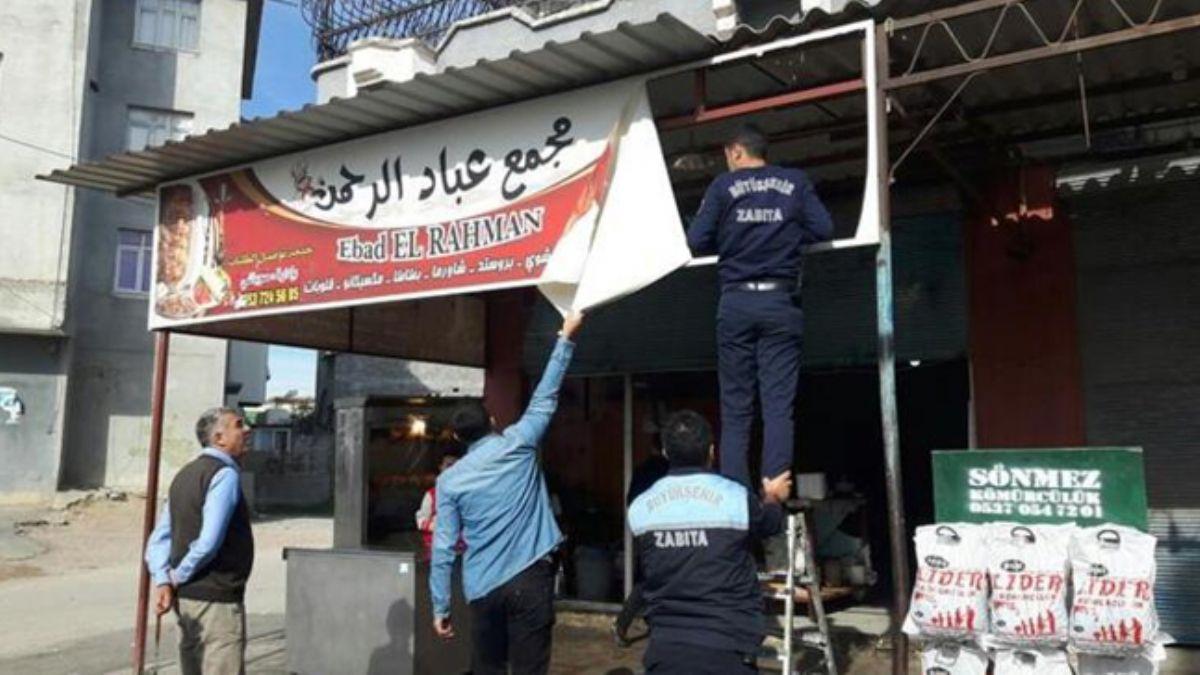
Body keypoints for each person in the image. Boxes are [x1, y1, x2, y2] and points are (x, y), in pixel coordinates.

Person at [430, 311, 585, 675]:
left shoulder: (450, 482)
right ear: (493, 422)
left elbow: (443, 547)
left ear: (457, 438)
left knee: (488, 669)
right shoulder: (519, 442)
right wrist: (566, 338)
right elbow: (546, 395)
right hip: (532, 578)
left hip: (482, 586)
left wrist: (441, 608)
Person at [686, 123, 834, 488]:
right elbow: (824, 228)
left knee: (736, 407)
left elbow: (695, 239)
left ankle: (736, 492)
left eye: (727, 156)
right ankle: (775, 489)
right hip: (780, 301)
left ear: (736, 151)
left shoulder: (723, 187)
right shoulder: (795, 183)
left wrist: (731, 234)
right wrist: (788, 232)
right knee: (778, 405)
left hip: (736, 301)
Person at [627, 410, 791, 674]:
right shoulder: (735, 497)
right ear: (712, 451)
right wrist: (772, 497)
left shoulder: (640, 508)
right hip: (728, 645)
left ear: (666, 453)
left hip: (666, 646)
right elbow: (770, 525)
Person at [145, 407, 254, 675]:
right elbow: (208, 542)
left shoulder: (184, 475)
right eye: (239, 425)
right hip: (215, 599)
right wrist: (176, 576)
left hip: (188, 600)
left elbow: (159, 539)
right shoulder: (224, 475)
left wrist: (162, 579)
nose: (247, 430)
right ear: (219, 438)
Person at [612, 448, 670, 645]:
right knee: (656, 577)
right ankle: (633, 622)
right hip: (666, 528)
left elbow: (631, 500)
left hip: (645, 530)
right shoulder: (668, 470)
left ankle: (627, 623)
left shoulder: (642, 470)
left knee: (648, 577)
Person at [414, 452, 460, 561]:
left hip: (462, 551)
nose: (452, 468)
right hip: (438, 550)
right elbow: (421, 520)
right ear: (441, 467)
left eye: (456, 465)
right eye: (449, 465)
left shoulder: (468, 493)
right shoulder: (431, 494)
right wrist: (437, 525)